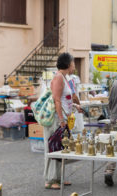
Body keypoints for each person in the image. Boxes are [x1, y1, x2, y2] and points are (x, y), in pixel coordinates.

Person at [43, 53, 81, 189]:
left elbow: (67, 98)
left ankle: (58, 178)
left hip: (64, 118)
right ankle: (50, 180)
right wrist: (61, 119)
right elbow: (57, 99)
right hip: (56, 119)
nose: (74, 66)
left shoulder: (65, 77)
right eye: (73, 63)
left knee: (61, 148)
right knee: (54, 148)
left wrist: (76, 106)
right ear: (68, 64)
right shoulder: (59, 77)